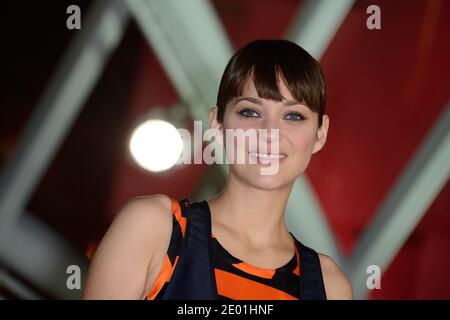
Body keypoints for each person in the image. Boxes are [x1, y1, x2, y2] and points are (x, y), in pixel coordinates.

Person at [83, 39, 352, 300]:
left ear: (320, 133)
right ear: (219, 124)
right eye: (250, 112)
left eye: (293, 116)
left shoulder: (329, 286)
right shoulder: (155, 230)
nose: (270, 132)